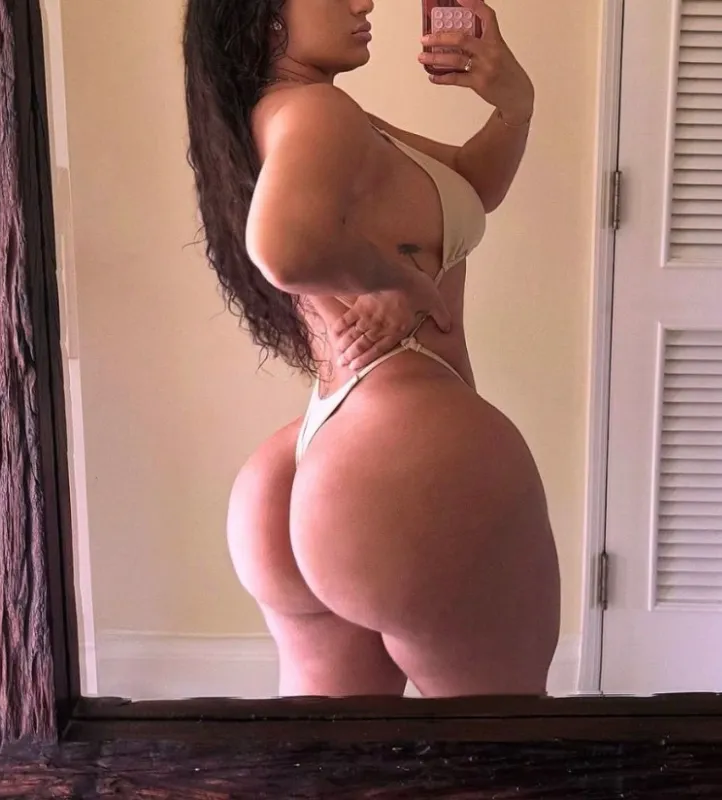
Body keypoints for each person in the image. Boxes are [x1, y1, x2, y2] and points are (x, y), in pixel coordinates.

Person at [183, 0, 560, 697]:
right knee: (500, 742)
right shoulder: (319, 113)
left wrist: (514, 107)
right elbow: (282, 247)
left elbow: (470, 184)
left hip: (305, 465)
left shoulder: (289, 114)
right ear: (265, 15)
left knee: (333, 751)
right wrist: (405, 282)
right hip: (408, 448)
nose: (363, 2)